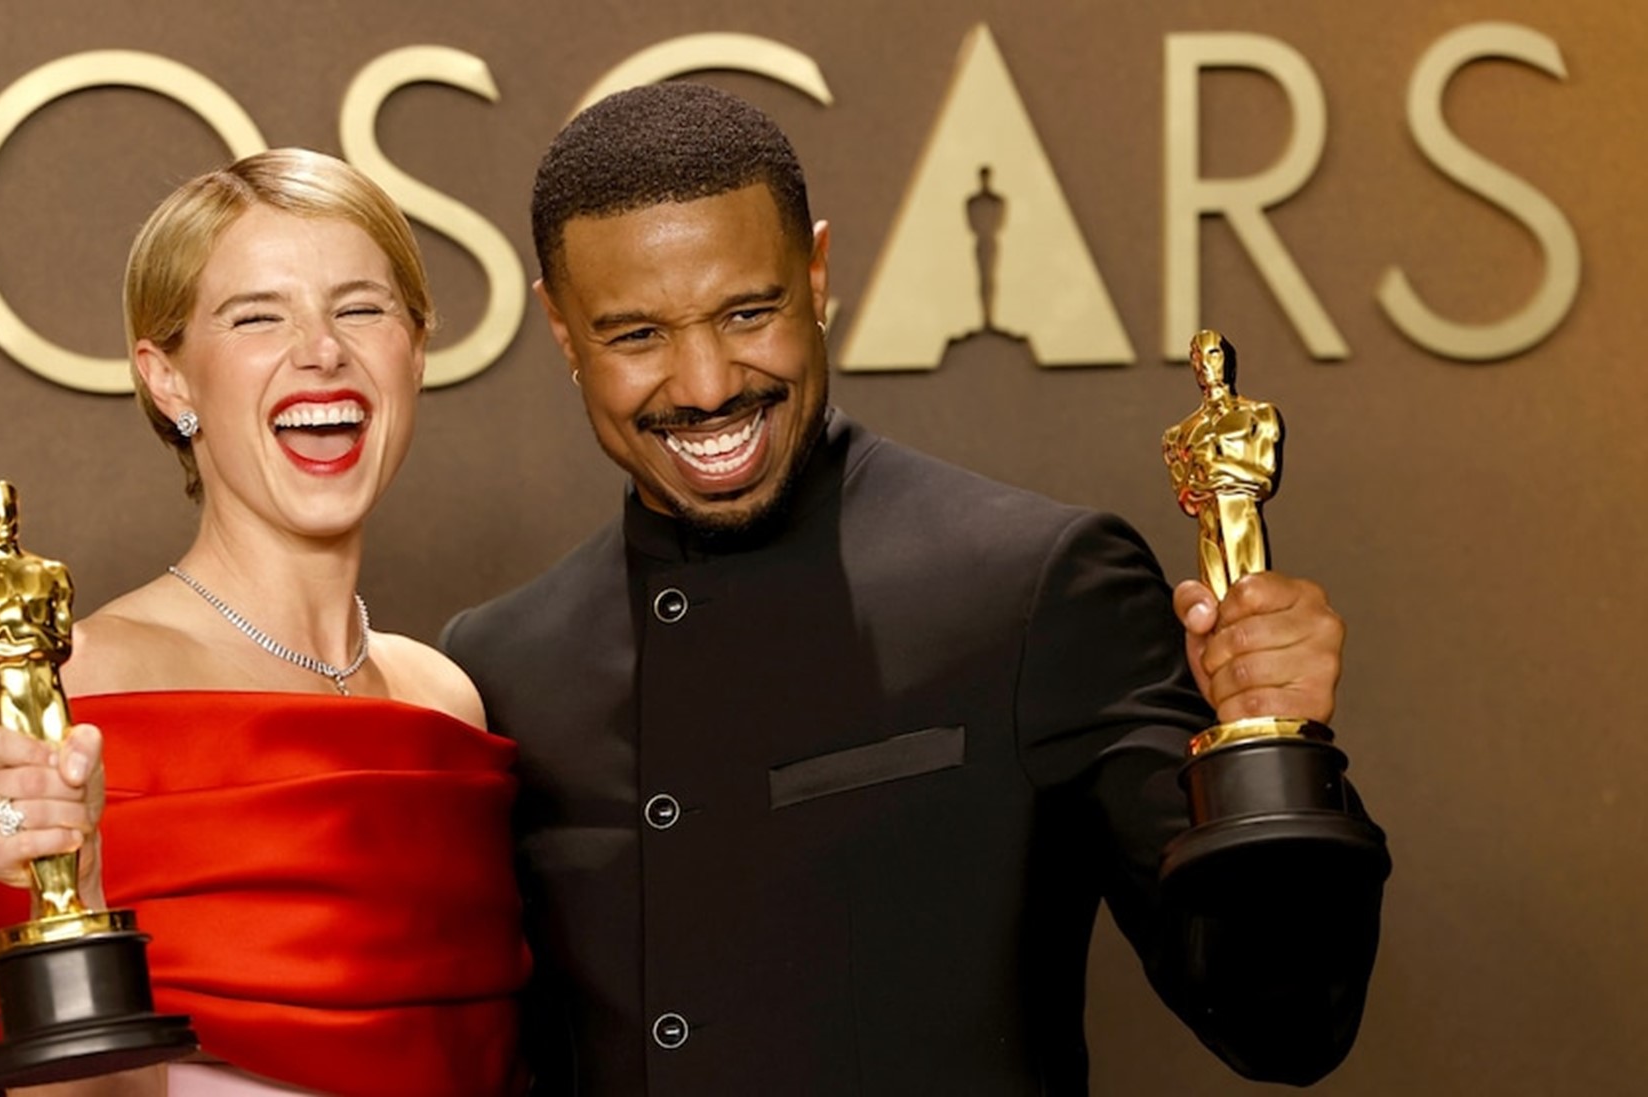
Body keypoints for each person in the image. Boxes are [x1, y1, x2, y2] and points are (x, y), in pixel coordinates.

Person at [439, 83, 1383, 1095]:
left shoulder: (1036, 584)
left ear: (816, 274)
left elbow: (1283, 1024)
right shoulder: (497, 669)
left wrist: (1274, 745)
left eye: (748, 312)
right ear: (561, 328)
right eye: (636, 336)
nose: (707, 384)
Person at [0, 149, 528, 1097]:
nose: (321, 350)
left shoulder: (447, 699)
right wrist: (58, 880)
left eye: (360, 309)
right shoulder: (82, 686)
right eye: (257, 316)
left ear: (416, 350)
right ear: (168, 379)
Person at [1163, 330, 1283, 602]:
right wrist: (1197, 487)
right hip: (1208, 526)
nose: (1204, 364)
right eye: (1196, 357)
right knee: (1216, 611)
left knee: (1253, 601)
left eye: (1213, 353)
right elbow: (1185, 498)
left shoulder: (1260, 414)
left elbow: (1266, 477)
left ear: (1228, 359)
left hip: (1241, 514)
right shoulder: (1179, 433)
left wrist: (1216, 474)